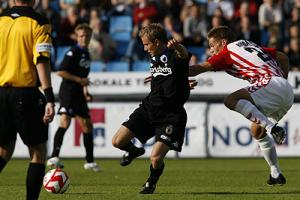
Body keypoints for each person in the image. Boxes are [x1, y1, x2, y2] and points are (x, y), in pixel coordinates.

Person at [189, 26, 294, 186]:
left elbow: (198, 68)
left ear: (223, 42)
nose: (210, 50)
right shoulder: (248, 44)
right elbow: (283, 57)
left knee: (231, 100)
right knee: (257, 130)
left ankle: (273, 128)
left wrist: (170, 71)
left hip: (270, 83)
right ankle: (275, 173)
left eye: (212, 45)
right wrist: (283, 82)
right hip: (287, 92)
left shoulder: (227, 52)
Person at [112, 23, 191, 194]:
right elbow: (170, 77)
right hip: (149, 109)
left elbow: (184, 55)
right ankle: (133, 151)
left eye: (147, 44)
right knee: (117, 142)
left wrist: (177, 46)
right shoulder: (154, 57)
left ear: (156, 42)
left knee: (155, 157)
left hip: (171, 115)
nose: (144, 48)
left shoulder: (174, 54)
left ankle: (151, 183)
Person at [0, 0, 55, 200]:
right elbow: (41, 59)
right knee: (38, 151)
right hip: (25, 92)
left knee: (4, 149)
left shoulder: (1, 20)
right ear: (35, 0)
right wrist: (49, 97)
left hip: (1, 92)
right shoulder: (39, 22)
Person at [47, 23, 100, 172]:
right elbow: (61, 72)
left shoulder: (87, 53)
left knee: (87, 126)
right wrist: (79, 81)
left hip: (79, 93)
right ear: (77, 37)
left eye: (87, 35)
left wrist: (86, 91)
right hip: (68, 91)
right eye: (81, 35)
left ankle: (89, 162)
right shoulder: (73, 52)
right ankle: (54, 157)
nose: (84, 38)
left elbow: (84, 77)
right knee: (65, 122)